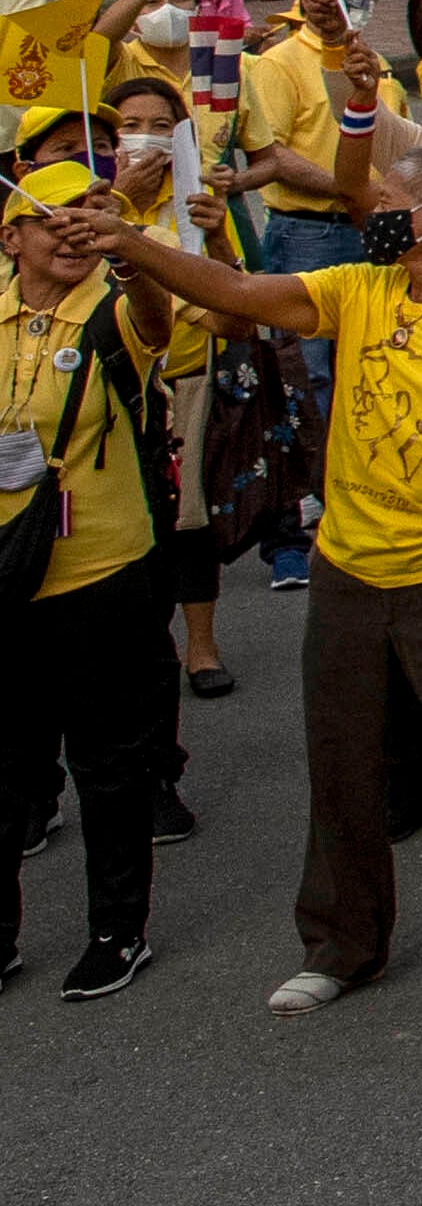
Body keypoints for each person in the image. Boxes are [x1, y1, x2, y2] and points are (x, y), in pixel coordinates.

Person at [77, 135, 422, 1022]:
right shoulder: (357, 287)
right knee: (341, 763)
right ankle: (342, 946)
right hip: (346, 567)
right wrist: (134, 242)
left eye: (386, 198)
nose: (367, 210)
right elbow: (240, 295)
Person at [3, 162, 176, 998]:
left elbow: (158, 319)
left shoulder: (113, 307)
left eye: (84, 214)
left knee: (107, 761)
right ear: (12, 237)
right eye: (51, 218)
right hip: (5, 576)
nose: (71, 230)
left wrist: (133, 252)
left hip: (99, 568)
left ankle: (118, 930)